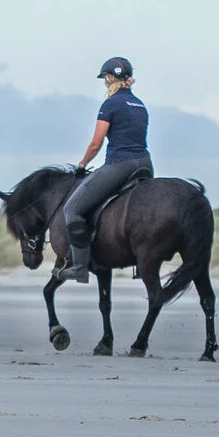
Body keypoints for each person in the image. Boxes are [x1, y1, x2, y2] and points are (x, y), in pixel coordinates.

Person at [55, 56, 151, 283]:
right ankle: (139, 263)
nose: (105, 82)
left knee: (73, 210)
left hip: (121, 164)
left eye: (105, 78)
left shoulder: (110, 104)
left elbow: (96, 143)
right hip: (146, 163)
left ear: (109, 78)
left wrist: (82, 164)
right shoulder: (140, 105)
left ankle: (79, 267)